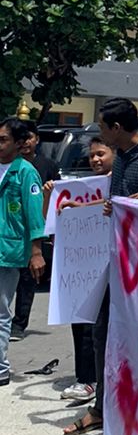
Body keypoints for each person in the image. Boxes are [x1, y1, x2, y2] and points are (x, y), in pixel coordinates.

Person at [63, 99, 138, 435]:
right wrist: (81, 206)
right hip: (119, 259)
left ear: (116, 128)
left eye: (102, 126)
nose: (99, 133)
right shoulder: (122, 159)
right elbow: (118, 204)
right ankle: (102, 407)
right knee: (102, 331)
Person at [55, 135, 112, 406]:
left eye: (101, 153)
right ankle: (86, 378)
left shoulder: (119, 181)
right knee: (81, 323)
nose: (95, 160)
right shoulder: (80, 187)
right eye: (92, 156)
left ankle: (99, 379)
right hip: (84, 267)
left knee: (102, 327)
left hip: (111, 265)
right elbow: (55, 220)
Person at [0, 117, 47, 389]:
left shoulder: (25, 172)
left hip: (8, 250)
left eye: (3, 139)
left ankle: (2, 368)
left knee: (1, 312)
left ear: (19, 144)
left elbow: (33, 213)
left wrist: (36, 251)